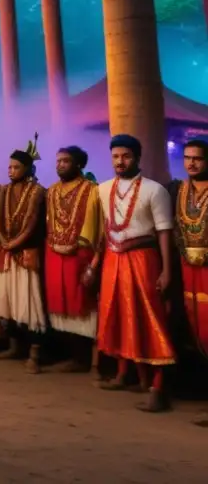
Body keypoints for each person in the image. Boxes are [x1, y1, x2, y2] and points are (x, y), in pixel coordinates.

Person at [97, 134, 175, 412]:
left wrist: (166, 270)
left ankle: (157, 385)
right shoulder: (103, 189)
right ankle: (123, 374)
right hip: (112, 259)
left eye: (126, 156)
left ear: (138, 158)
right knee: (117, 314)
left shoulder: (155, 190)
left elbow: (165, 233)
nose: (120, 161)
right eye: (116, 156)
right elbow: (103, 230)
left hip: (144, 259)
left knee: (149, 317)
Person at [45, 146, 103, 372]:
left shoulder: (93, 190)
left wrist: (95, 263)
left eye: (66, 161)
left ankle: (92, 361)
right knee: (61, 304)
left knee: (84, 305)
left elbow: (100, 230)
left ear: (79, 164)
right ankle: (73, 357)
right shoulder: (51, 191)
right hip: (54, 253)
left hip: (81, 255)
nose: (60, 165)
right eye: (58, 161)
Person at [0, 139, 48, 373]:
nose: (11, 171)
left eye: (16, 167)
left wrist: (14, 243)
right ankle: (14, 347)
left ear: (28, 169)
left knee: (29, 303)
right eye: (9, 167)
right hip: (6, 252)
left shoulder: (38, 192)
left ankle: (35, 354)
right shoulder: (4, 190)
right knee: (7, 303)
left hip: (26, 253)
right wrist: (4, 241)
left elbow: (34, 222)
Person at [173, 138, 208, 358]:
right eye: (187, 158)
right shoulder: (180, 189)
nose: (191, 163)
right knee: (192, 316)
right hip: (187, 265)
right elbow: (177, 227)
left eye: (197, 158)